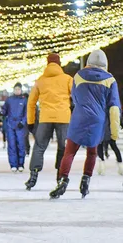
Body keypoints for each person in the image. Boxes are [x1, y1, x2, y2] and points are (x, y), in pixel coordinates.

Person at [49, 50, 121, 199]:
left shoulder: (79, 76)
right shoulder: (110, 80)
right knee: (92, 152)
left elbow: (74, 97)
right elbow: (114, 107)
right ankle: (85, 181)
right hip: (97, 120)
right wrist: (114, 132)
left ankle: (62, 180)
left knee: (69, 152)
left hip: (79, 117)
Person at [25, 53, 73, 190]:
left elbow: (31, 103)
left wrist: (31, 121)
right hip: (64, 118)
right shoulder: (67, 79)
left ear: (47, 63)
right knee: (63, 147)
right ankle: (60, 175)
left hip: (45, 118)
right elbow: (76, 97)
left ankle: (33, 174)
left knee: (39, 146)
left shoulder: (40, 80)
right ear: (59, 63)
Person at [2, 82, 27, 172]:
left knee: (20, 144)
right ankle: (13, 164)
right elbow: (5, 110)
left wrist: (23, 122)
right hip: (10, 124)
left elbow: (26, 112)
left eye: (19, 89)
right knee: (12, 144)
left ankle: (21, 164)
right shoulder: (9, 100)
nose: (17, 91)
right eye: (16, 89)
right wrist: (2, 112)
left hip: (20, 124)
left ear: (21, 90)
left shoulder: (24, 100)